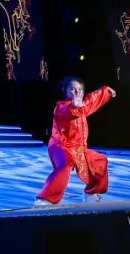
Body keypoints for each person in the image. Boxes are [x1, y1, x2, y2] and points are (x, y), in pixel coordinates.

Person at [35, 76, 116, 205]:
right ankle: (44, 199)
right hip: (60, 146)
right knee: (65, 165)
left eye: (79, 89)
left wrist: (105, 91)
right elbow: (67, 113)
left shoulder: (82, 106)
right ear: (65, 90)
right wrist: (74, 107)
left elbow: (92, 100)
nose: (76, 92)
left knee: (100, 162)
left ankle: (91, 194)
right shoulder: (61, 107)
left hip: (78, 148)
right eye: (72, 89)